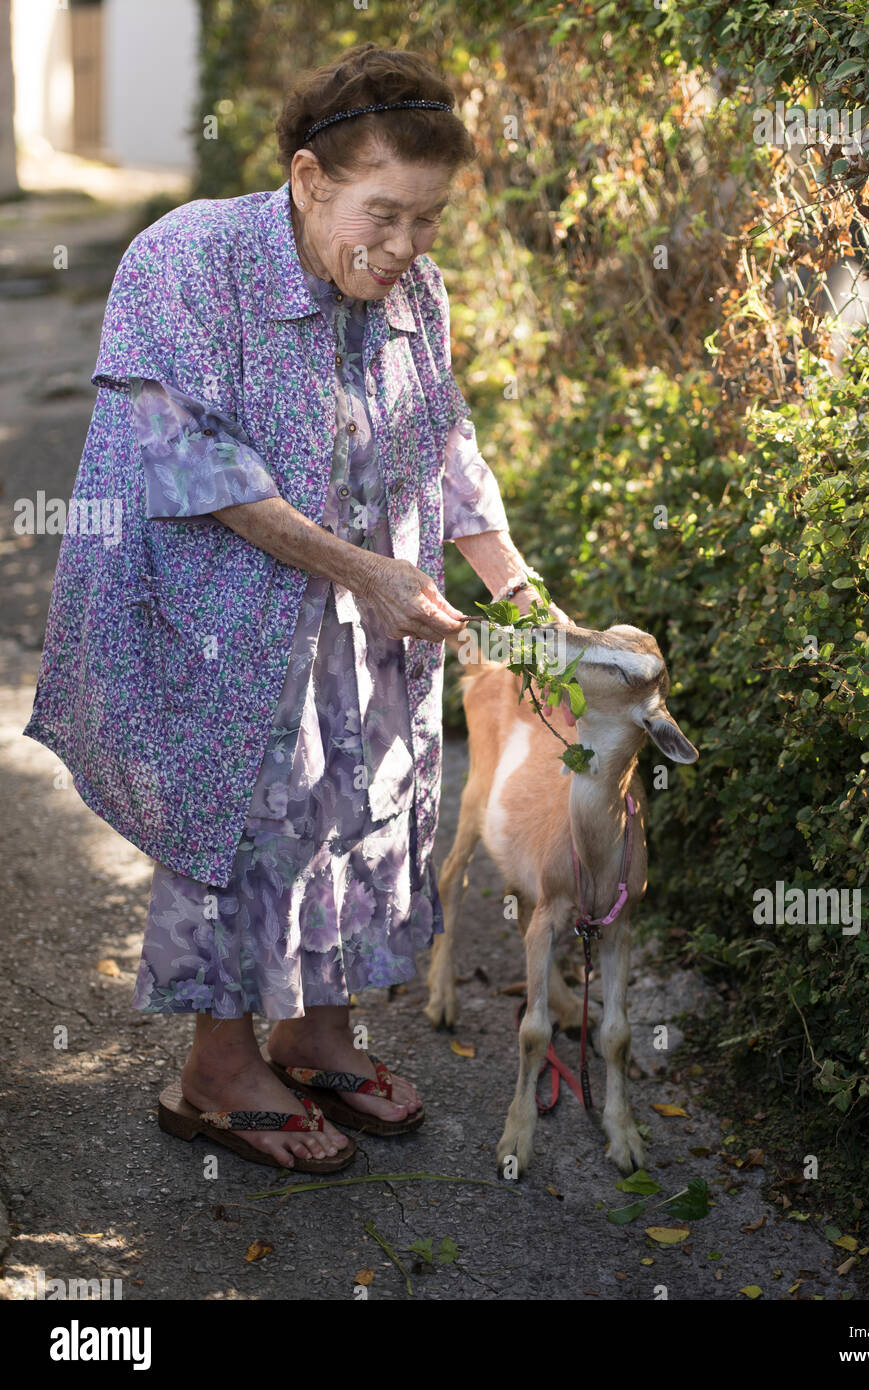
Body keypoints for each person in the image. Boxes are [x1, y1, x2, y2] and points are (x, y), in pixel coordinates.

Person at [23, 42, 573, 1172]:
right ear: (309, 176)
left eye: (429, 221)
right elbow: (188, 463)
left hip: (364, 618)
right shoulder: (186, 260)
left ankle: (315, 1034)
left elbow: (443, 445)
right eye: (387, 213)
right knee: (238, 817)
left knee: (362, 802)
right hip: (212, 609)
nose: (408, 247)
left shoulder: (413, 287)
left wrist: (518, 584)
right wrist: (361, 569)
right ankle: (216, 1071)